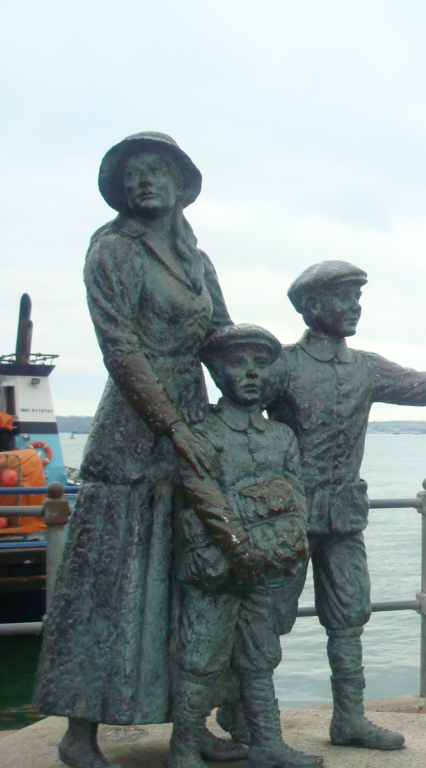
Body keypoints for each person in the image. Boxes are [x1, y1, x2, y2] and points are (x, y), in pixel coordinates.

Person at [214, 260, 426, 750]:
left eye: (357, 299)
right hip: (285, 517)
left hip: (344, 515)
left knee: (349, 615)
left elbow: (425, 386)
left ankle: (348, 718)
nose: (354, 308)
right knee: (268, 619)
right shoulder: (282, 364)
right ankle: (244, 715)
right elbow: (236, 410)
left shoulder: (365, 368)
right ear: (312, 306)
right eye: (343, 298)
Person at [33, 132, 248, 768]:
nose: (142, 181)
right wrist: (172, 426)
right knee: (109, 586)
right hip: (132, 436)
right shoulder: (113, 250)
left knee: (193, 583)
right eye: (131, 174)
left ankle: (192, 720)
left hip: (192, 427)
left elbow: (222, 338)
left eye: (155, 171)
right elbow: (120, 349)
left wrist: (269, 383)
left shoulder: (196, 260)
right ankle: (80, 732)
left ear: (181, 184)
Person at [169, 324, 322, 768]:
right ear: (217, 373)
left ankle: (267, 743)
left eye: (260, 363)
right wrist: (240, 548)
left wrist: (284, 548)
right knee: (200, 656)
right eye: (238, 363)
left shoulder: (281, 436)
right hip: (217, 568)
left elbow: (295, 495)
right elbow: (202, 495)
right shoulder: (201, 432)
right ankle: (183, 749)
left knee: (260, 656)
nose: (251, 373)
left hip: (267, 567)